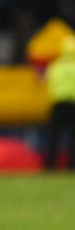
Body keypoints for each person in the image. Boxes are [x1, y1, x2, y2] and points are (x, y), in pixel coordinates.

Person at [44, 35, 75, 170]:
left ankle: (50, 165)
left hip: (58, 104)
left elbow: (49, 83)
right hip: (73, 104)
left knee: (54, 136)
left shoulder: (55, 66)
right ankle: (72, 165)